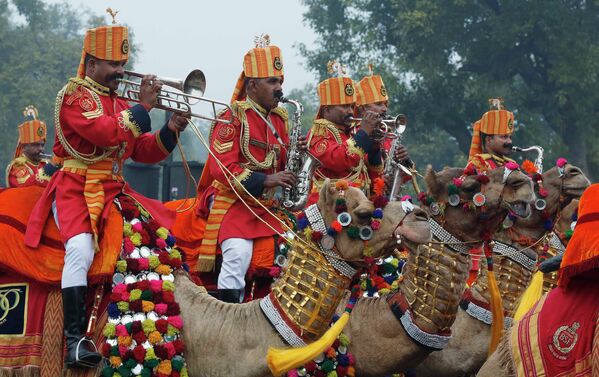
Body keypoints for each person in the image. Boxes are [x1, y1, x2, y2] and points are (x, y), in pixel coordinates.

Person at [24, 15, 188, 369]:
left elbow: (141, 151)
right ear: (93, 62)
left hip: (114, 188)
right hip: (75, 188)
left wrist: (170, 129)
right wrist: (143, 107)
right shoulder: (74, 96)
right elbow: (107, 133)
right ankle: (73, 341)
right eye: (113, 64)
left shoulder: (116, 100)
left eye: (122, 64)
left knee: (158, 237)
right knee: (80, 249)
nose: (120, 70)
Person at [196, 35, 302, 303]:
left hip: (266, 207)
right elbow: (222, 168)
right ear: (252, 85)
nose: (279, 88)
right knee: (237, 254)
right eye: (272, 82)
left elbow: (281, 164)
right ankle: (227, 316)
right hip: (233, 202)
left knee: (295, 252)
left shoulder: (280, 119)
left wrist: (297, 154)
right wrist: (267, 181)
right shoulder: (231, 117)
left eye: (280, 81)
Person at [307, 61, 382, 200]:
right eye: (344, 106)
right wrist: (364, 132)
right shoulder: (319, 132)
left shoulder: (351, 132)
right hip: (330, 206)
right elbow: (339, 161)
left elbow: (373, 172)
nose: (350, 111)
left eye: (351, 106)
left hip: (358, 204)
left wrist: (375, 147)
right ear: (327, 109)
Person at [355, 66, 412, 196]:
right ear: (363, 109)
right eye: (379, 104)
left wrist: (404, 160)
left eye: (385, 104)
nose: (385, 109)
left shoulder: (387, 133)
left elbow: (405, 177)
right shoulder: (355, 133)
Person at [5, 106, 58, 187]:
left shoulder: (44, 164)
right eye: (36, 145)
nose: (40, 148)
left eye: (42, 145)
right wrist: (49, 168)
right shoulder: (17, 166)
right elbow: (27, 186)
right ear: (24, 147)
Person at [466, 98, 516, 173]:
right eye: (504, 137)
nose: (509, 141)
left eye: (510, 137)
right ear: (489, 140)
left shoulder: (512, 164)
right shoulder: (479, 164)